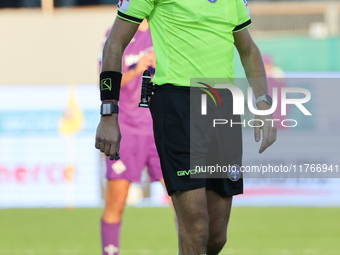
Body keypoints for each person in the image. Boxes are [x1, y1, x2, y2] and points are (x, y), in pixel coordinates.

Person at [95, 0, 277, 254]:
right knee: (196, 228)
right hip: (177, 106)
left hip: (223, 107)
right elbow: (114, 44)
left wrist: (263, 104)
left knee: (216, 236)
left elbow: (248, 50)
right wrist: (108, 114)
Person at [98, 19, 166, 255]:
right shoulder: (116, 34)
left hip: (163, 129)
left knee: (186, 201)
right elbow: (105, 81)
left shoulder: (166, 29)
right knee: (116, 201)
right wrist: (136, 68)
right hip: (127, 132)